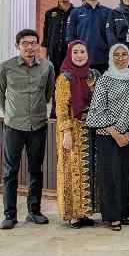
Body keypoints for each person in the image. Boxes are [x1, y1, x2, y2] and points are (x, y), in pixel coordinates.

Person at [0, 29, 56, 230]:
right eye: (25, 43)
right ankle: (9, 215)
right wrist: (10, 113)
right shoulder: (6, 68)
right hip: (13, 126)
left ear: (38, 45)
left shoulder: (47, 67)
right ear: (17, 46)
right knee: (10, 171)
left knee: (35, 170)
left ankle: (34, 211)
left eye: (33, 43)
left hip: (38, 125)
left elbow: (48, 93)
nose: (30, 47)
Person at [85, 43, 129, 231]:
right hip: (108, 135)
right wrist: (115, 133)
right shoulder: (105, 80)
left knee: (125, 175)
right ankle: (112, 216)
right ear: (110, 57)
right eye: (117, 55)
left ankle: (123, 214)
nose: (121, 58)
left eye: (124, 54)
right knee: (110, 176)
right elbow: (97, 110)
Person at [54, 40, 100, 228]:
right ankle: (74, 214)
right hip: (72, 129)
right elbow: (61, 108)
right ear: (70, 55)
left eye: (83, 51)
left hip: (91, 129)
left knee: (89, 170)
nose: (80, 55)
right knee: (72, 170)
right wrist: (66, 132)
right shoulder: (65, 78)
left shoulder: (94, 75)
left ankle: (86, 213)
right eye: (76, 52)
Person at [66, 0, 112, 74]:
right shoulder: (75, 12)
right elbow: (71, 37)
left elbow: (111, 37)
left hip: (103, 60)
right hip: (82, 59)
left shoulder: (108, 12)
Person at [41, 0, 74, 83]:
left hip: (71, 56)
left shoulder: (77, 13)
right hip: (54, 56)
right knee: (54, 86)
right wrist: (44, 59)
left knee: (70, 85)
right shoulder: (50, 14)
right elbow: (46, 38)